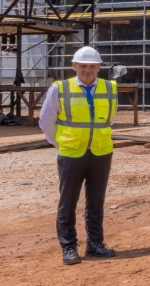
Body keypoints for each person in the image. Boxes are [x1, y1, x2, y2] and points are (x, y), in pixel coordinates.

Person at [38, 46, 118, 265]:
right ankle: (69, 246)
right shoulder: (60, 88)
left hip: (101, 151)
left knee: (96, 201)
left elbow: (108, 119)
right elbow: (46, 120)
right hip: (72, 153)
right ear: (74, 66)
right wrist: (60, 143)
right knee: (68, 202)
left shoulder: (110, 87)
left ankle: (95, 244)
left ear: (99, 67)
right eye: (83, 65)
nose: (87, 70)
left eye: (92, 66)